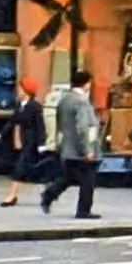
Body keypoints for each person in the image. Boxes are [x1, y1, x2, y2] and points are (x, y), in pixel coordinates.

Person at [40, 70, 101, 219]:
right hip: (81, 149)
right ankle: (83, 210)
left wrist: (59, 142)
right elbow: (84, 127)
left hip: (68, 147)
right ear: (86, 84)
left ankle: (49, 194)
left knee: (69, 176)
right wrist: (88, 149)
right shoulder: (82, 102)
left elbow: (60, 123)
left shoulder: (64, 100)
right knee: (88, 181)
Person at [0, 77, 46, 207]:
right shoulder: (20, 106)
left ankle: (11, 196)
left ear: (26, 91)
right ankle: (50, 193)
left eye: (20, 89)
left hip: (32, 143)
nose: (18, 91)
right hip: (24, 141)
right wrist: (0, 134)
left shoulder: (35, 107)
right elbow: (12, 122)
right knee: (31, 171)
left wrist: (41, 143)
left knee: (19, 168)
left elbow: (40, 126)